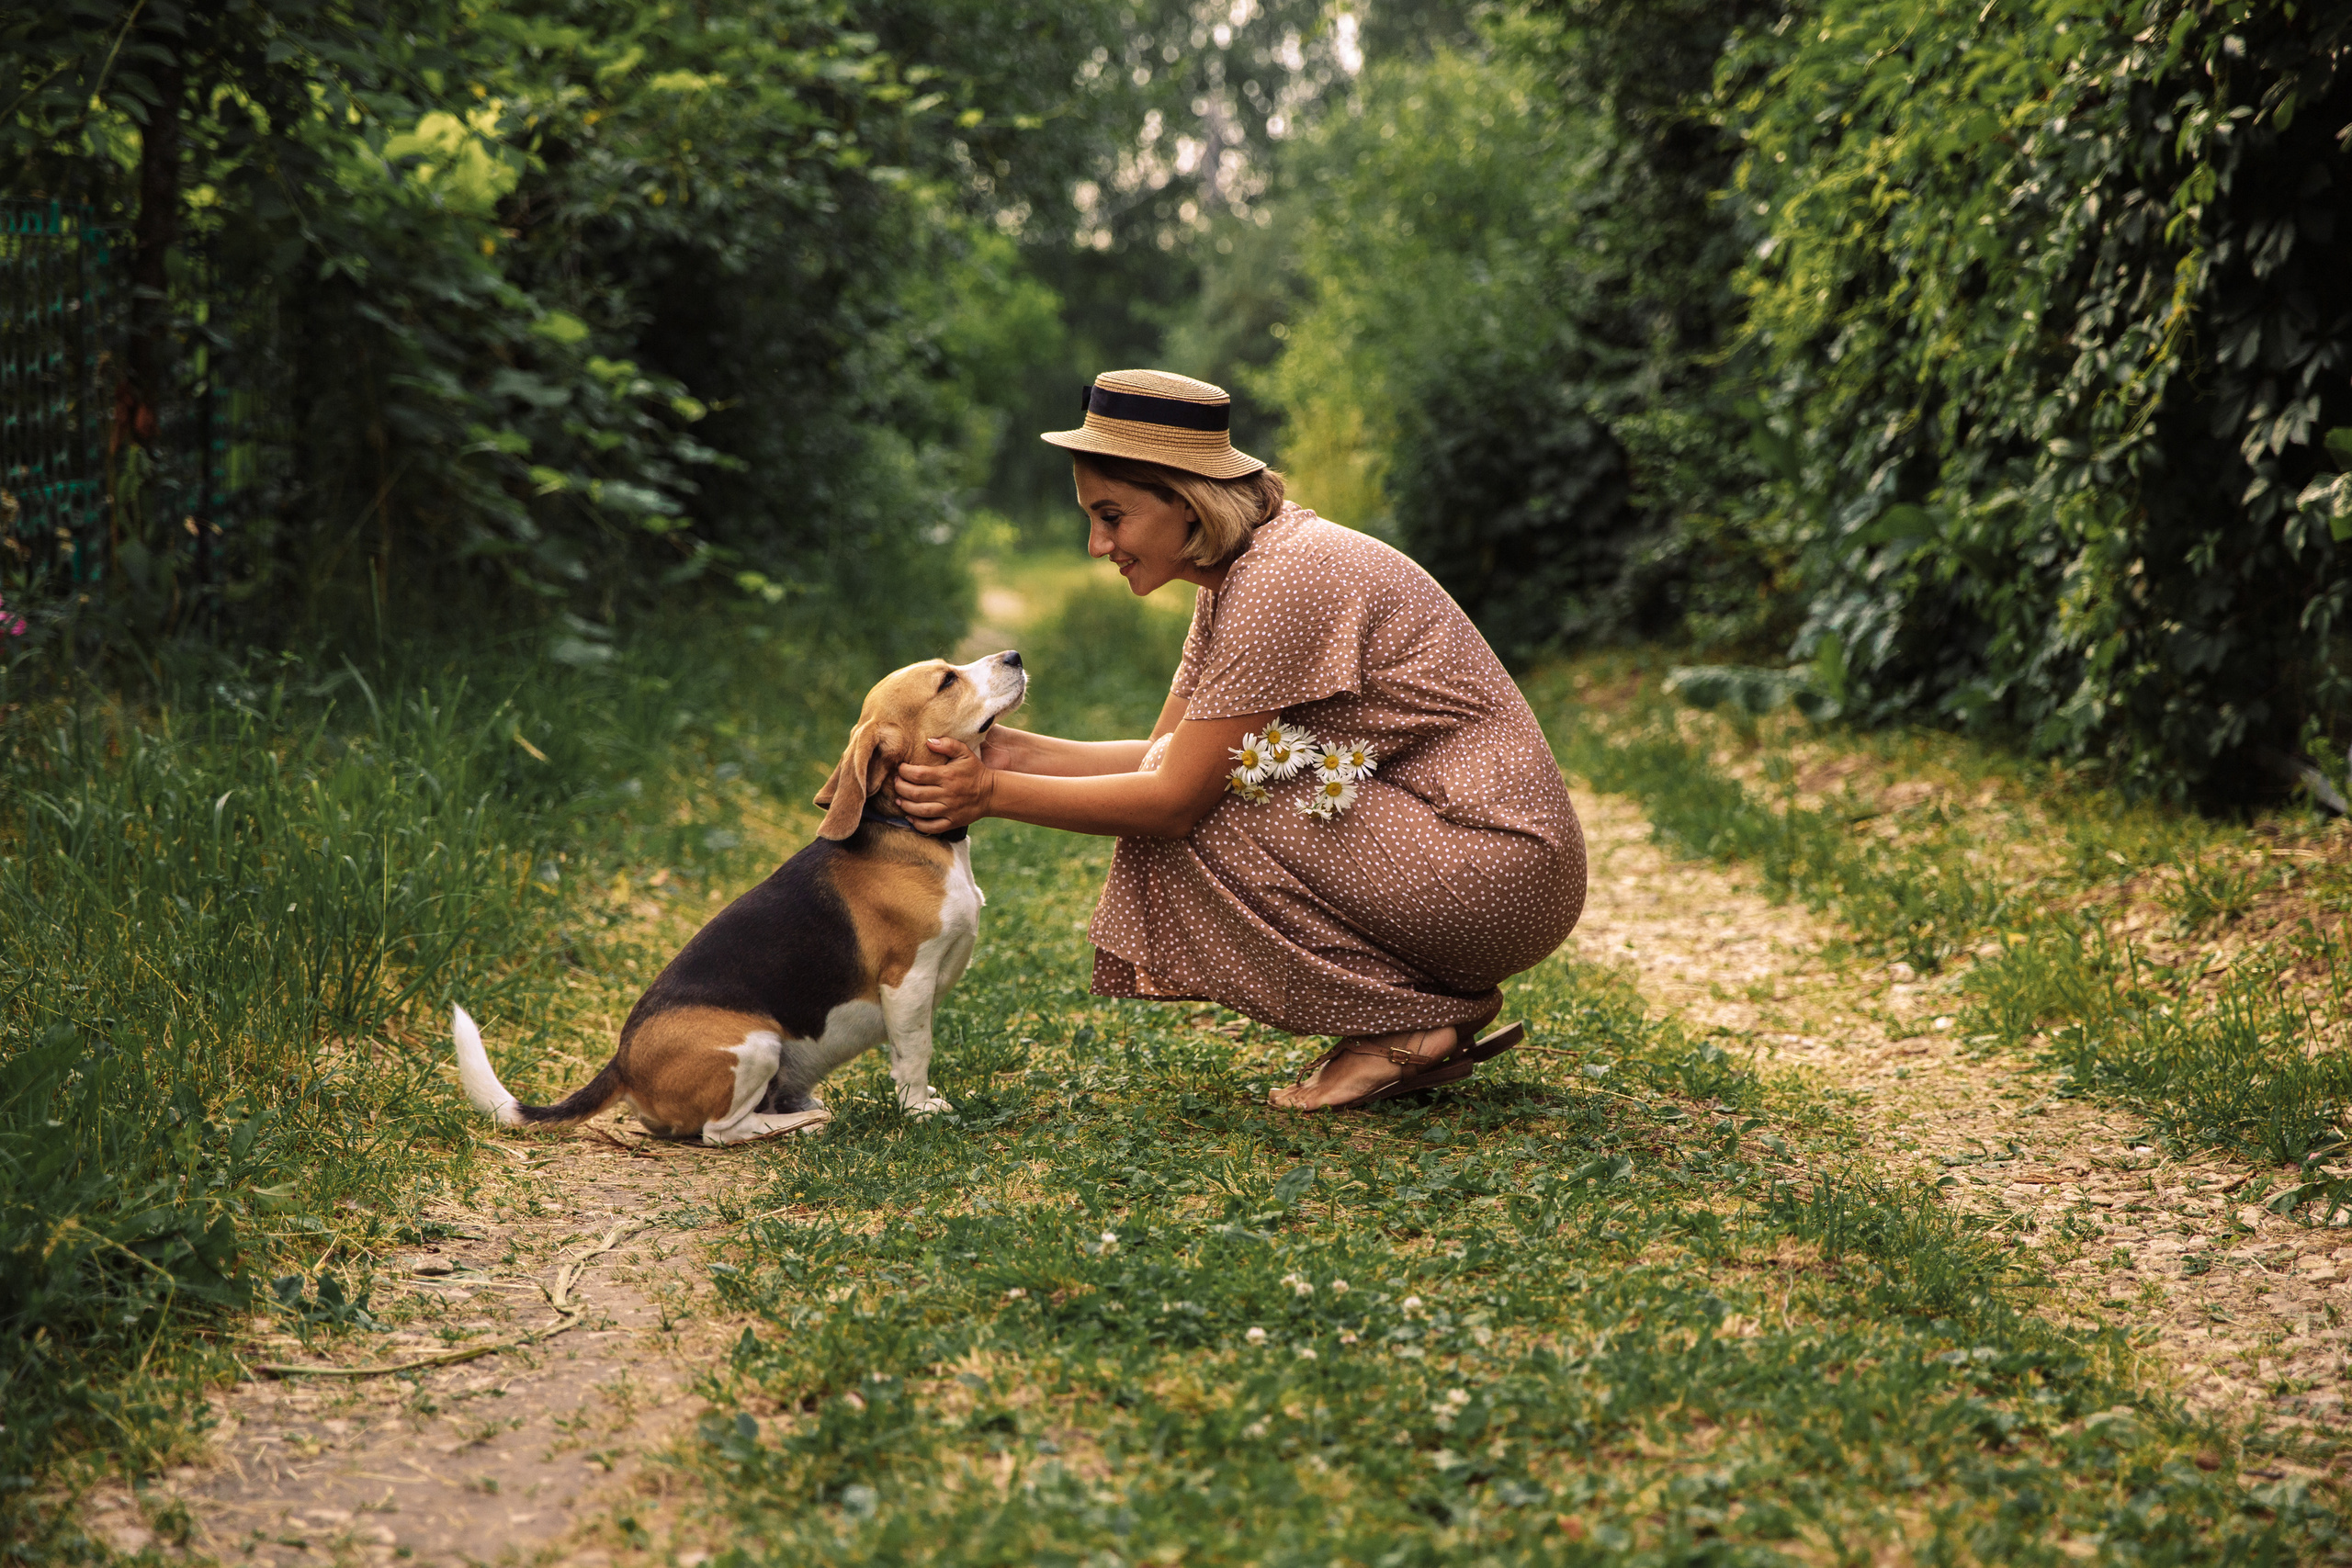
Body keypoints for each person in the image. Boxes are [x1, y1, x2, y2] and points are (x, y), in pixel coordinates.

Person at [894, 369, 1587, 1111]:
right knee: (1216, 776)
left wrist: (990, 793)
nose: (1098, 544)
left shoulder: (1281, 581)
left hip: (1499, 868)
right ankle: (1415, 1020)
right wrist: (1007, 752)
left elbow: (1172, 799)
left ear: (1187, 502)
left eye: (1112, 515)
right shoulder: (1239, 574)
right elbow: (1166, 753)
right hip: (1471, 858)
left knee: (1214, 802)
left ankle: (1408, 1029)